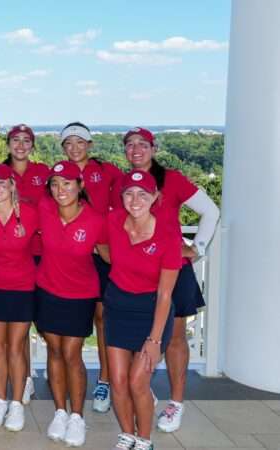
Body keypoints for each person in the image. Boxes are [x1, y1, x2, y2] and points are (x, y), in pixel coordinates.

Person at [115, 127, 220, 432]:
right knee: (140, 337)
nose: (136, 150)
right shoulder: (124, 184)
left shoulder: (171, 179)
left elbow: (210, 212)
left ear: (154, 147)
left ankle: (175, 403)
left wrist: (196, 248)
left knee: (174, 338)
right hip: (137, 274)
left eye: (142, 144)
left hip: (173, 270)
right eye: (130, 145)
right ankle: (143, 389)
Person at [104, 170, 181, 450]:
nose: (135, 200)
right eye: (129, 193)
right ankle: (127, 434)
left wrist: (154, 340)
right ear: (122, 196)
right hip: (117, 308)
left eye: (143, 194)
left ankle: (145, 439)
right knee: (119, 380)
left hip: (152, 312)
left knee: (138, 381)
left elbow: (165, 294)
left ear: (155, 197)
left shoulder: (168, 235)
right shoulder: (112, 220)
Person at [36, 161, 109, 446]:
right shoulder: (44, 211)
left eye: (67, 183)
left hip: (80, 295)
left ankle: (77, 417)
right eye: (54, 184)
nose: (60, 189)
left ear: (80, 186)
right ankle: (59, 412)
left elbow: (110, 255)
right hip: (47, 290)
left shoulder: (96, 220)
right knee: (54, 350)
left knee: (71, 352)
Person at [59, 122, 123, 413]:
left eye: (79, 142)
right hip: (74, 254)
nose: (74, 148)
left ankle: (106, 379)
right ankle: (69, 369)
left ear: (90, 145)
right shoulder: (60, 173)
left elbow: (131, 198)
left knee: (104, 318)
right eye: (68, 143)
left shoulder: (107, 170)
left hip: (102, 251)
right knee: (82, 316)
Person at [0, 164, 37, 432]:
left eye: (1, 183)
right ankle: (0, 400)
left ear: (12, 185)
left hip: (24, 287)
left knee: (16, 347)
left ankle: (16, 404)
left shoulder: (31, 213)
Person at [3, 124, 51, 404]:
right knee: (15, 325)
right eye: (15, 140)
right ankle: (25, 378)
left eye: (26, 141)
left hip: (41, 255)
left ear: (32, 146)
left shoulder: (43, 173)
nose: (20, 145)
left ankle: (30, 373)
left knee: (37, 321)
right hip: (9, 257)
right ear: (8, 144)